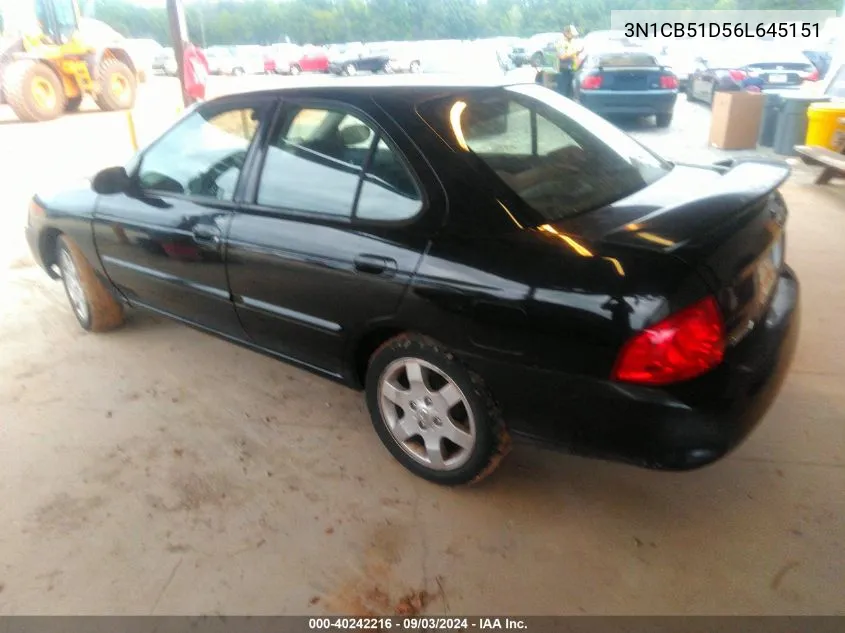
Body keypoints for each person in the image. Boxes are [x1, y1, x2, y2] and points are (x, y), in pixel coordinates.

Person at [555, 25, 582, 98]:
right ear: (566, 33)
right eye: (571, 34)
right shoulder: (560, 43)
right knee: (563, 93)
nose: (573, 36)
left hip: (572, 70)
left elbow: (574, 56)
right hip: (563, 70)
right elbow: (562, 56)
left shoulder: (571, 42)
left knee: (571, 93)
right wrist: (575, 53)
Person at [182, 40, 210, 106]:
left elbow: (196, 67)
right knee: (199, 100)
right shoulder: (197, 51)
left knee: (196, 102)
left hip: (194, 81)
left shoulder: (189, 52)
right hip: (199, 81)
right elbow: (204, 66)